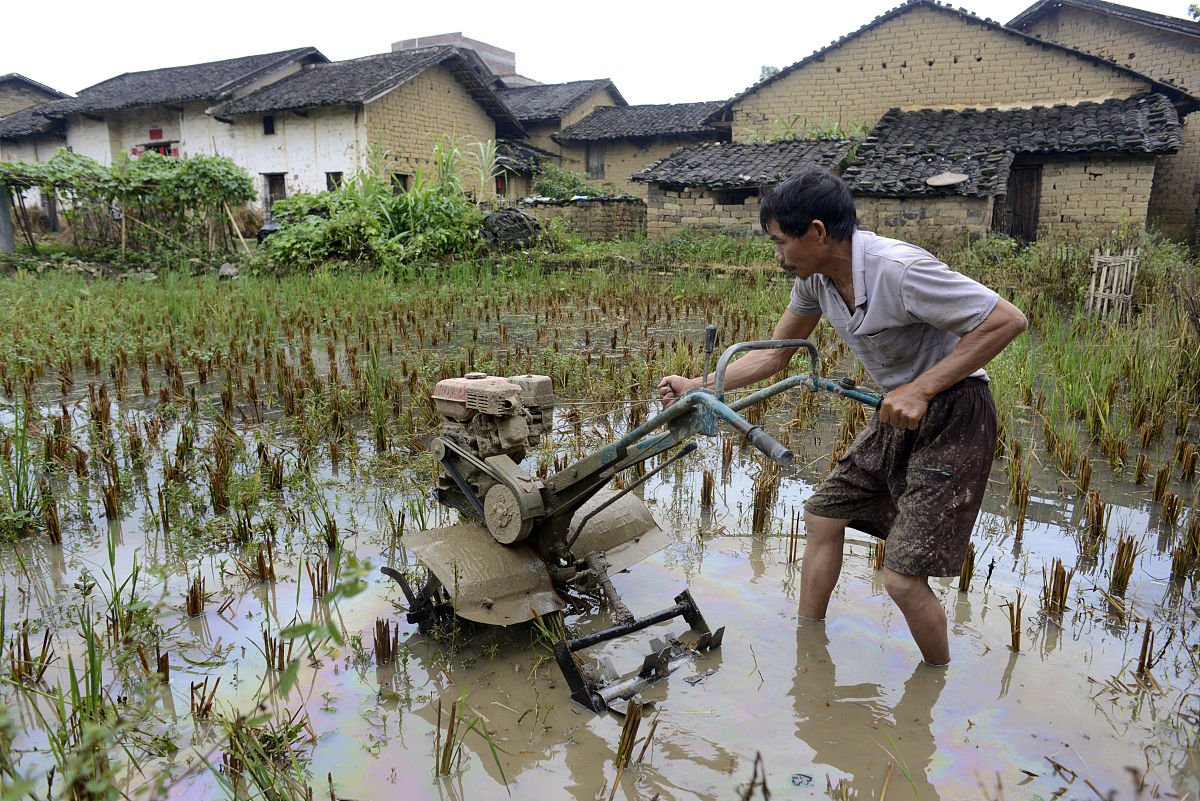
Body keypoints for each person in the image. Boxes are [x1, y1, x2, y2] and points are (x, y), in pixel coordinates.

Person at [657, 167, 1027, 666]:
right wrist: (699, 386)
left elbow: (1007, 320)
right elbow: (774, 355)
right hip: (897, 408)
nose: (777, 255)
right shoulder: (815, 281)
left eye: (780, 242)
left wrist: (923, 387)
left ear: (816, 232)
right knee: (822, 515)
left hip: (956, 411)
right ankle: (807, 647)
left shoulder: (898, 269)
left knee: (901, 579)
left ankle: (934, 685)